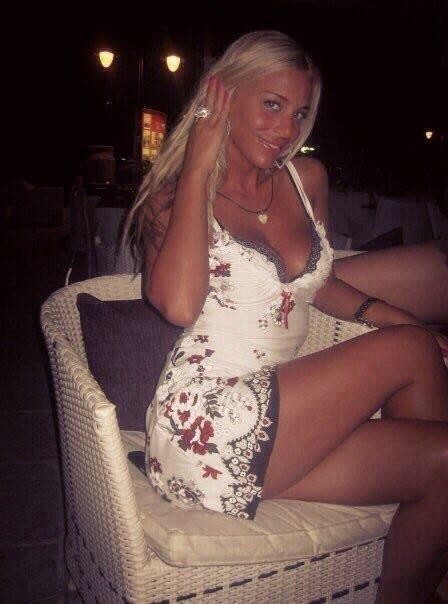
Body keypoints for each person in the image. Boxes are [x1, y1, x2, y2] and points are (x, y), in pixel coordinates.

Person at [124, 31, 448, 603]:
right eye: (272, 105)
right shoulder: (175, 198)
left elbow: (316, 285)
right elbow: (177, 305)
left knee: (441, 459)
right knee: (410, 346)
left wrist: (392, 314)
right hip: (204, 422)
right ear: (223, 97)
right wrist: (199, 165)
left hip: (282, 422)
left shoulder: (306, 180)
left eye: (299, 113)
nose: (286, 129)